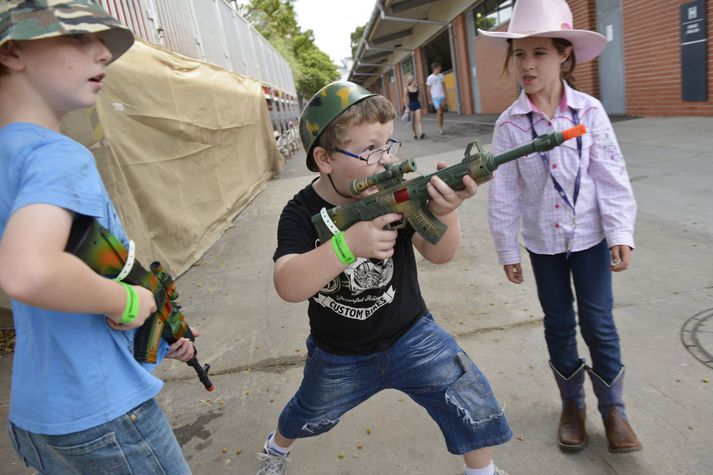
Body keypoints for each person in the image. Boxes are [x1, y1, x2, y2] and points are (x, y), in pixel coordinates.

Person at [256, 80, 512, 475]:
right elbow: (288, 284)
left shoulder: (397, 192)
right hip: (339, 353)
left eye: (389, 145)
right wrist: (347, 246)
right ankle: (276, 448)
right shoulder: (300, 211)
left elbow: (440, 254)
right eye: (370, 149)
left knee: (469, 393)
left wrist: (447, 210)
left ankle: (483, 471)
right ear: (325, 159)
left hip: (412, 335)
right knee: (305, 412)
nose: (385, 160)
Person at [0, 2, 194, 473]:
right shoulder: (58, 156)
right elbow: (30, 272)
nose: (104, 52)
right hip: (103, 411)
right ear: (12, 52)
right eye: (79, 37)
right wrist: (127, 302)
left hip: (37, 414)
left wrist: (164, 331)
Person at [481, 0, 641, 454]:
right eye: (519, 54)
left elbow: (610, 176)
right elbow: (506, 191)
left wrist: (621, 232)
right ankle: (572, 405)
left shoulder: (588, 112)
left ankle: (614, 410)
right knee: (557, 323)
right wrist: (506, 249)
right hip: (544, 244)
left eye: (540, 53)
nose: (527, 64)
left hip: (590, 238)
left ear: (564, 55)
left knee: (599, 323)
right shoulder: (510, 124)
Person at [402, 74, 425, 139]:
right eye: (411, 79)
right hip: (411, 105)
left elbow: (420, 97)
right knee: (412, 122)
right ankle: (414, 134)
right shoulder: (406, 88)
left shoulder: (417, 87)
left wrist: (422, 105)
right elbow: (404, 98)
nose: (413, 80)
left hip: (417, 104)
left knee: (419, 120)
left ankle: (421, 134)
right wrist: (406, 107)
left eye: (413, 78)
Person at [426, 61, 446, 135]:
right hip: (435, 97)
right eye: (439, 67)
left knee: (442, 113)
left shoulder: (441, 76)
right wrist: (429, 99)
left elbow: (444, 86)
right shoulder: (430, 78)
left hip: (442, 96)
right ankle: (440, 128)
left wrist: (445, 96)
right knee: (439, 112)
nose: (440, 68)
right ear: (435, 68)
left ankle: (441, 126)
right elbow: (428, 89)